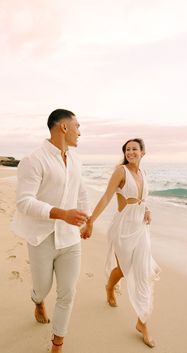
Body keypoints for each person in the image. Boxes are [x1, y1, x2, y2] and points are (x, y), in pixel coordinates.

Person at [11, 109, 90, 353]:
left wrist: (88, 222)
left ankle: (57, 344)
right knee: (43, 287)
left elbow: (81, 192)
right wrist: (62, 213)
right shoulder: (33, 160)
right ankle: (38, 300)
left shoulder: (76, 160)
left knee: (68, 292)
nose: (80, 131)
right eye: (77, 125)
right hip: (40, 237)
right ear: (63, 127)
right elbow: (24, 201)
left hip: (70, 239)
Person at [81, 138, 160, 348]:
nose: (131, 152)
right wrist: (90, 222)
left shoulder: (143, 174)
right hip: (123, 229)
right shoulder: (120, 172)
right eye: (128, 149)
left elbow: (142, 199)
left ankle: (142, 322)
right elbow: (107, 197)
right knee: (125, 270)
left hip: (141, 228)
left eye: (135, 149)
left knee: (143, 273)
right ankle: (109, 288)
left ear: (143, 152)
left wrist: (148, 210)